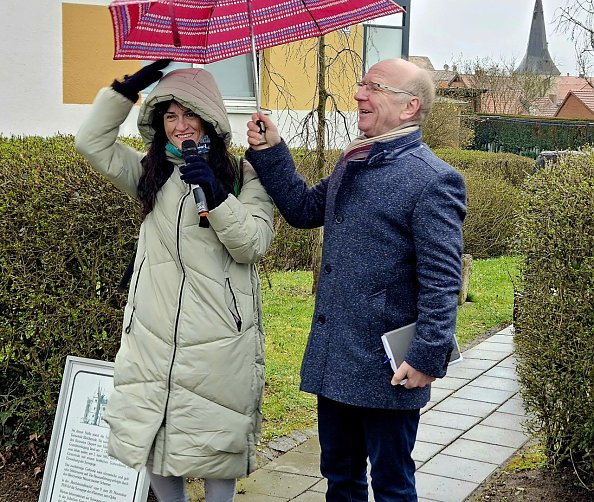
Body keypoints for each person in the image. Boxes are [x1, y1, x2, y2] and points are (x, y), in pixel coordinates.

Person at [245, 58, 466, 501]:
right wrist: (272, 151)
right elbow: (305, 210)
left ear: (409, 107)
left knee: (391, 485)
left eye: (375, 87)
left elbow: (443, 280)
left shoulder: (434, 180)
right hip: (336, 356)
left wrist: (426, 357)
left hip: (391, 369)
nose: (359, 94)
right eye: (361, 84)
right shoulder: (353, 162)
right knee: (340, 480)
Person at [75, 60, 274, 502]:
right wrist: (129, 88)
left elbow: (253, 243)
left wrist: (217, 196)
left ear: (211, 119)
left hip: (219, 338)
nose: (181, 126)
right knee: (154, 440)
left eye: (190, 114)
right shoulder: (151, 172)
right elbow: (90, 141)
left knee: (217, 447)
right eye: (170, 115)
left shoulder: (244, 175)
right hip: (153, 333)